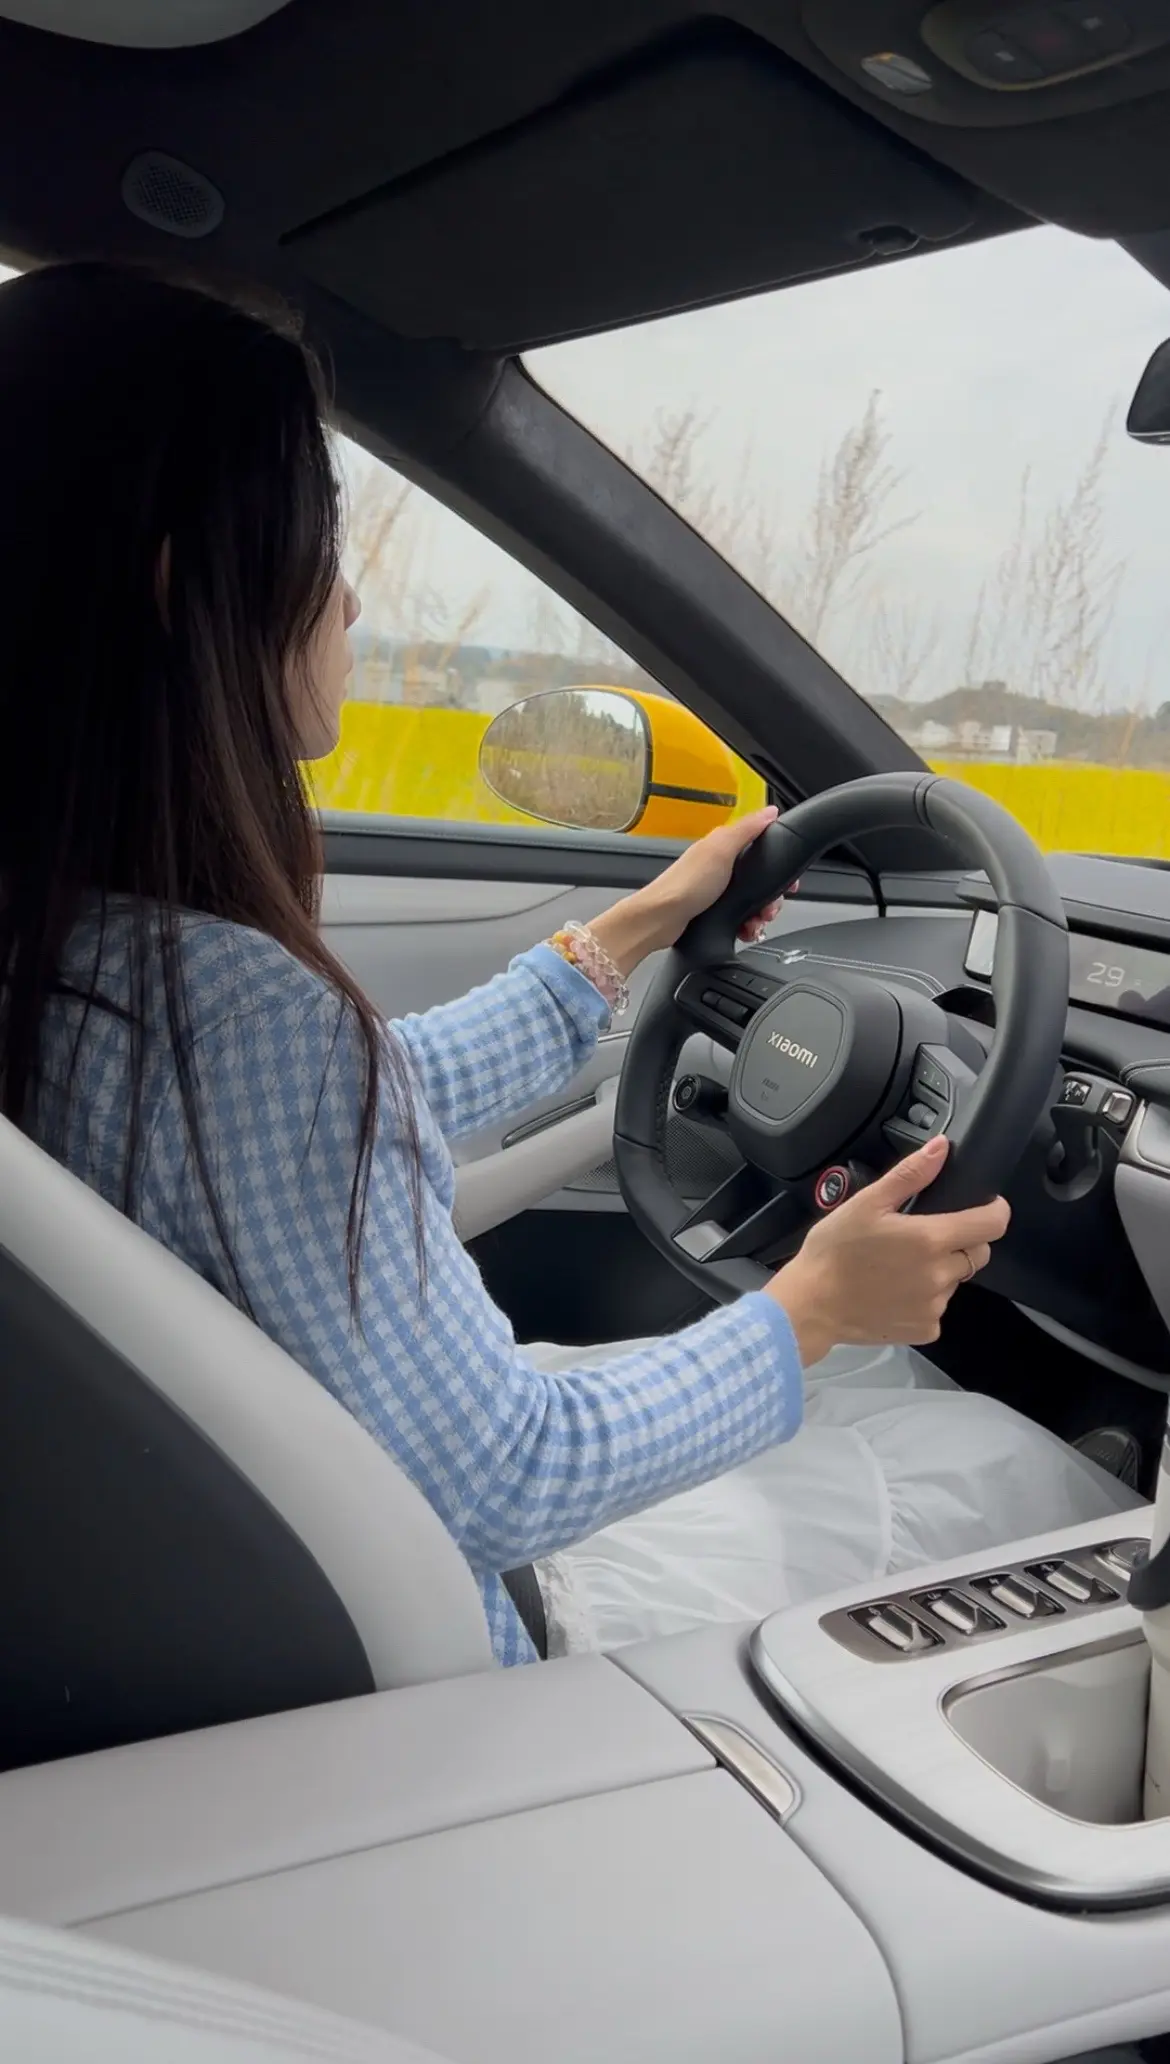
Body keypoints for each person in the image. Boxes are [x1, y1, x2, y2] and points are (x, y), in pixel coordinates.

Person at [0, 262, 1139, 1668]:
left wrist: (632, 931)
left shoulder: (78, 956)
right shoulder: (227, 1018)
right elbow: (507, 1479)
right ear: (186, 589)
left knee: (886, 1376)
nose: (347, 599)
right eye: (310, 539)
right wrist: (808, 1307)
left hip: (271, 1553)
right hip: (461, 1629)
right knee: (1006, 1464)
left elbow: (345, 1100)